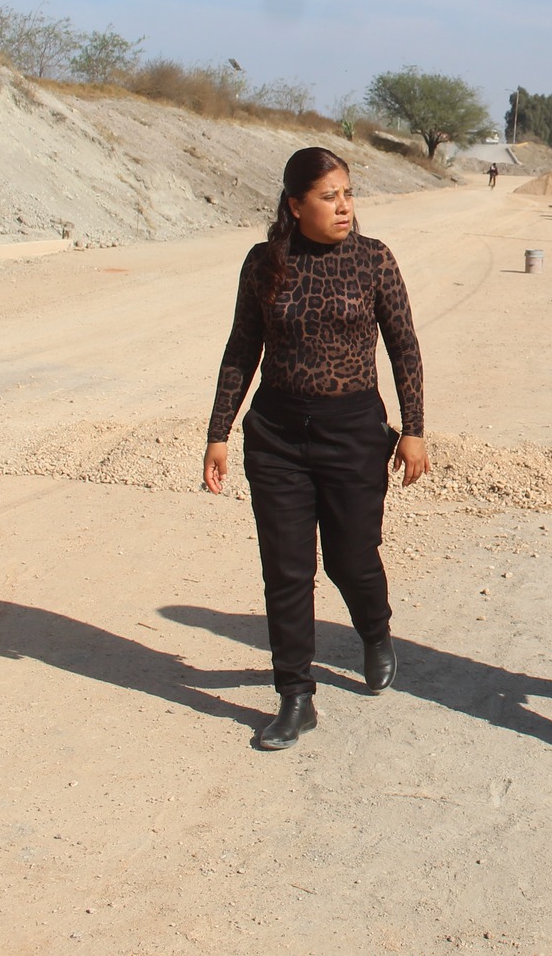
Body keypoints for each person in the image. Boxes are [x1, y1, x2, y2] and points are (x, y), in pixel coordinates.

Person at [203, 146, 429, 751]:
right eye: (329, 196)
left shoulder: (374, 261)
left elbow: (404, 346)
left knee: (350, 559)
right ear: (295, 204)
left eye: (348, 194)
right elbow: (241, 348)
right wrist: (219, 432)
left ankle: (375, 632)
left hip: (353, 432)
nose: (344, 207)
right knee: (286, 570)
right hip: (276, 435)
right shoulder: (265, 262)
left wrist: (413, 428)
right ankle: (295, 696)